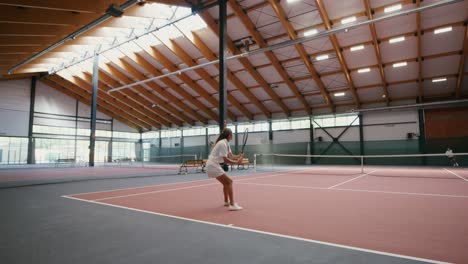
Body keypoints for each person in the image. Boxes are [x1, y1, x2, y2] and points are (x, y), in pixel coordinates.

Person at [206, 127, 244, 211]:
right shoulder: (222, 143)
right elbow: (225, 159)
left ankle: (226, 201)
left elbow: (231, 155)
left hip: (214, 165)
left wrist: (239, 156)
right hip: (212, 165)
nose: (232, 135)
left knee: (226, 183)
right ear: (230, 135)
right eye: (232, 134)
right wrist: (237, 162)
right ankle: (232, 204)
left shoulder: (226, 143)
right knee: (229, 181)